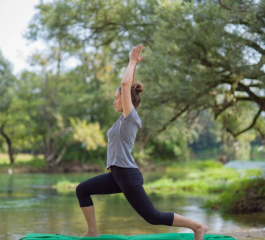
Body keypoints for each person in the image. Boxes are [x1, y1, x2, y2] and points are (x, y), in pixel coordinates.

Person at [76, 44, 208, 240]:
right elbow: (128, 88)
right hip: (117, 175)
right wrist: (135, 64)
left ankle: (198, 227)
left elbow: (125, 86)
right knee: (82, 190)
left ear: (126, 99)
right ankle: (93, 232)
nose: (114, 101)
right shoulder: (123, 120)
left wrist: (130, 62)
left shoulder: (131, 118)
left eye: (116, 97)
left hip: (127, 175)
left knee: (153, 217)